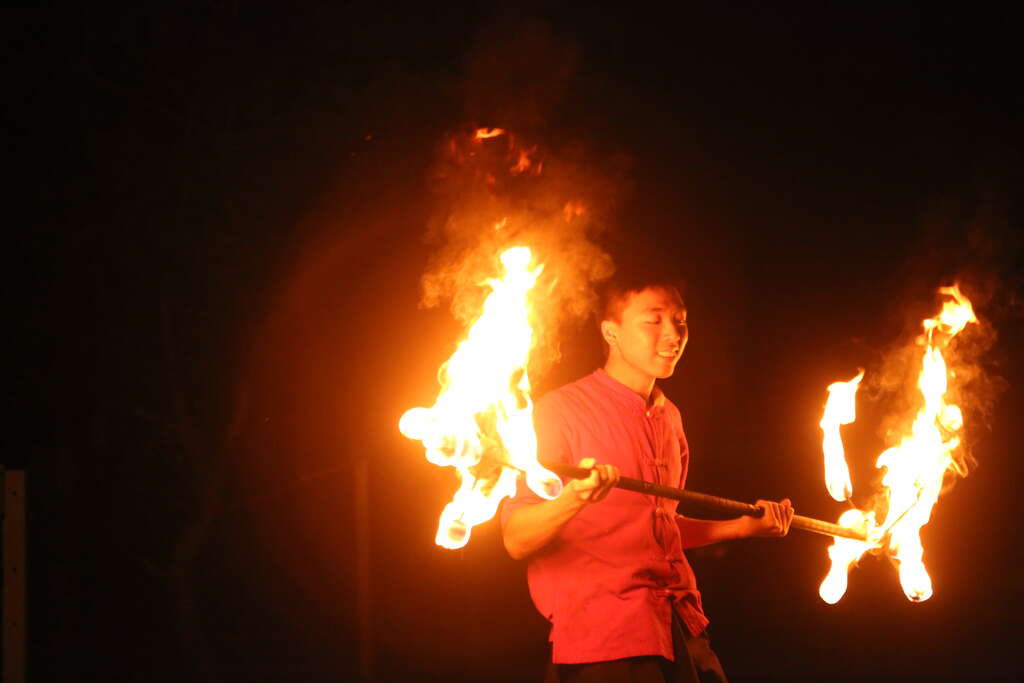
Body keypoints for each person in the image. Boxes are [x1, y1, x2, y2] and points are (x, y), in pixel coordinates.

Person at [501, 274, 795, 682]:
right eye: (653, 320)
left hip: (682, 628)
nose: (673, 334)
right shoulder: (560, 411)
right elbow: (516, 538)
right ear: (611, 332)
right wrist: (576, 499)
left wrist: (744, 527)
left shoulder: (668, 416)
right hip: (607, 642)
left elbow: (659, 525)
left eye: (680, 321)